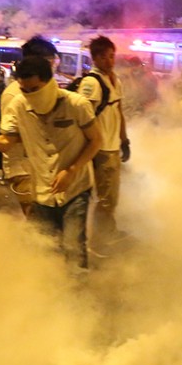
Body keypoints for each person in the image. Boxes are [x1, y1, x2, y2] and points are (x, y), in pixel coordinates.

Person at [0, 55, 102, 271]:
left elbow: (96, 141)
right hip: (42, 190)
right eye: (24, 90)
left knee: (74, 246)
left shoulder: (76, 104)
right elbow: (6, 142)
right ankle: (53, 291)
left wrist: (72, 170)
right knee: (46, 248)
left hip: (75, 189)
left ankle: (79, 295)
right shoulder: (19, 105)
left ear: (49, 81)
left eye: (34, 88)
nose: (29, 95)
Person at [77, 36, 130, 250]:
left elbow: (118, 111)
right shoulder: (92, 82)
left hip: (112, 145)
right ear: (95, 58)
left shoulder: (114, 79)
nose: (110, 61)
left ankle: (108, 230)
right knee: (107, 196)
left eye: (112, 56)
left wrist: (124, 139)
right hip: (101, 148)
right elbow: (83, 115)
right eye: (105, 57)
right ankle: (99, 240)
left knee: (111, 194)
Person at [0, 36, 54, 217]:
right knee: (37, 223)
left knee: (48, 222)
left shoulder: (46, 89)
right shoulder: (14, 95)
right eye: (50, 61)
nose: (54, 66)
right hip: (23, 169)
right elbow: (10, 137)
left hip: (42, 166)